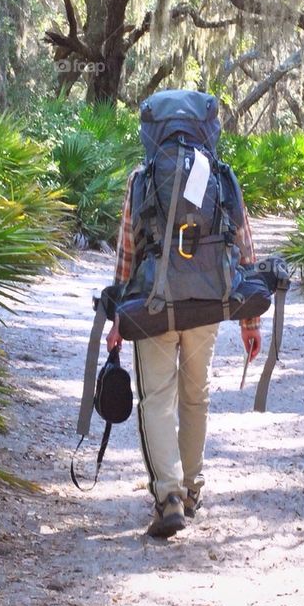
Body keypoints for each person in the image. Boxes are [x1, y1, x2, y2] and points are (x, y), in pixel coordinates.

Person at [106, 156, 261, 538]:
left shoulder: (142, 176)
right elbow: (243, 244)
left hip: (153, 306)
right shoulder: (221, 174)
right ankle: (191, 491)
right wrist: (249, 321)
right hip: (206, 303)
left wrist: (118, 316)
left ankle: (169, 498)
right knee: (196, 395)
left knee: (156, 398)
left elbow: (128, 249)